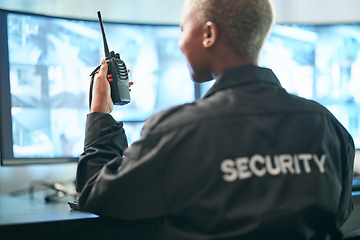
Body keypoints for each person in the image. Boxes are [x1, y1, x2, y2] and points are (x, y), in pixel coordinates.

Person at [75, 0, 355, 239]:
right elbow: (338, 215)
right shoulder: (329, 126)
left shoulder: (178, 130)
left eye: (183, 29)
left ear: (208, 33)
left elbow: (98, 194)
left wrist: (100, 112)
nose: (180, 43)